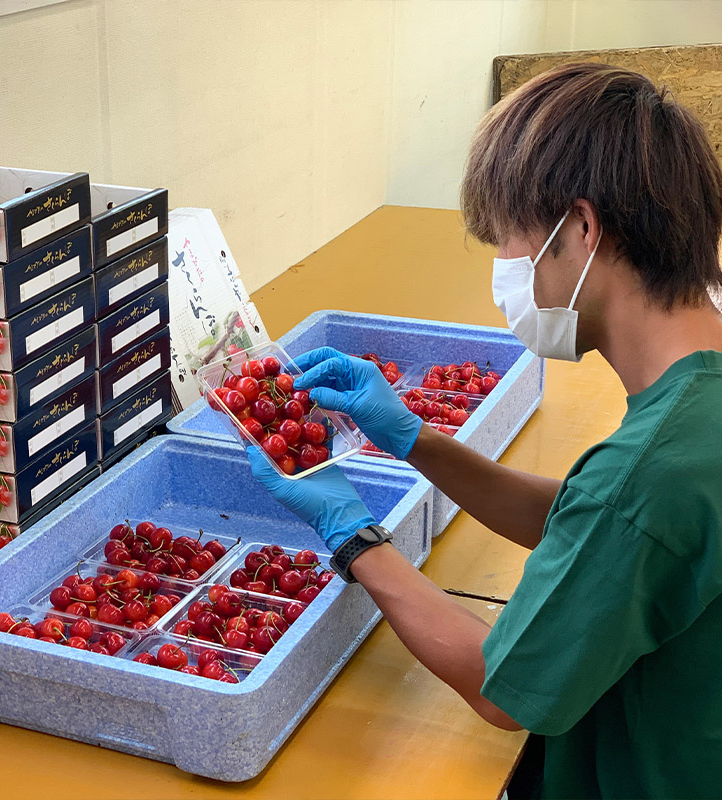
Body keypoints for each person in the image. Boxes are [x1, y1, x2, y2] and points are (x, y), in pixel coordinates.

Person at [247, 63, 722, 799]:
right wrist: (413, 438)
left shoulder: (651, 472)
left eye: (509, 237)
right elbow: (594, 523)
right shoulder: (696, 398)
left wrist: (353, 536)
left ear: (583, 228)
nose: (504, 266)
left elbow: (499, 687)